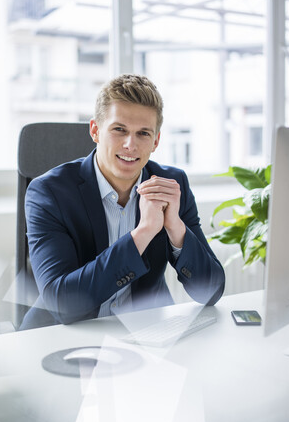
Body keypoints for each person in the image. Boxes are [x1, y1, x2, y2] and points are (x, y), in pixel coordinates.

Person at [20, 74, 225, 330]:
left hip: (143, 332)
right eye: (119, 130)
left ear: (156, 140)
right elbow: (62, 303)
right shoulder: (48, 193)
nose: (131, 145)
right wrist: (142, 234)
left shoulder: (172, 185)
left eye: (143, 133)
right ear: (95, 130)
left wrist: (175, 228)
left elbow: (212, 290)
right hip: (65, 334)